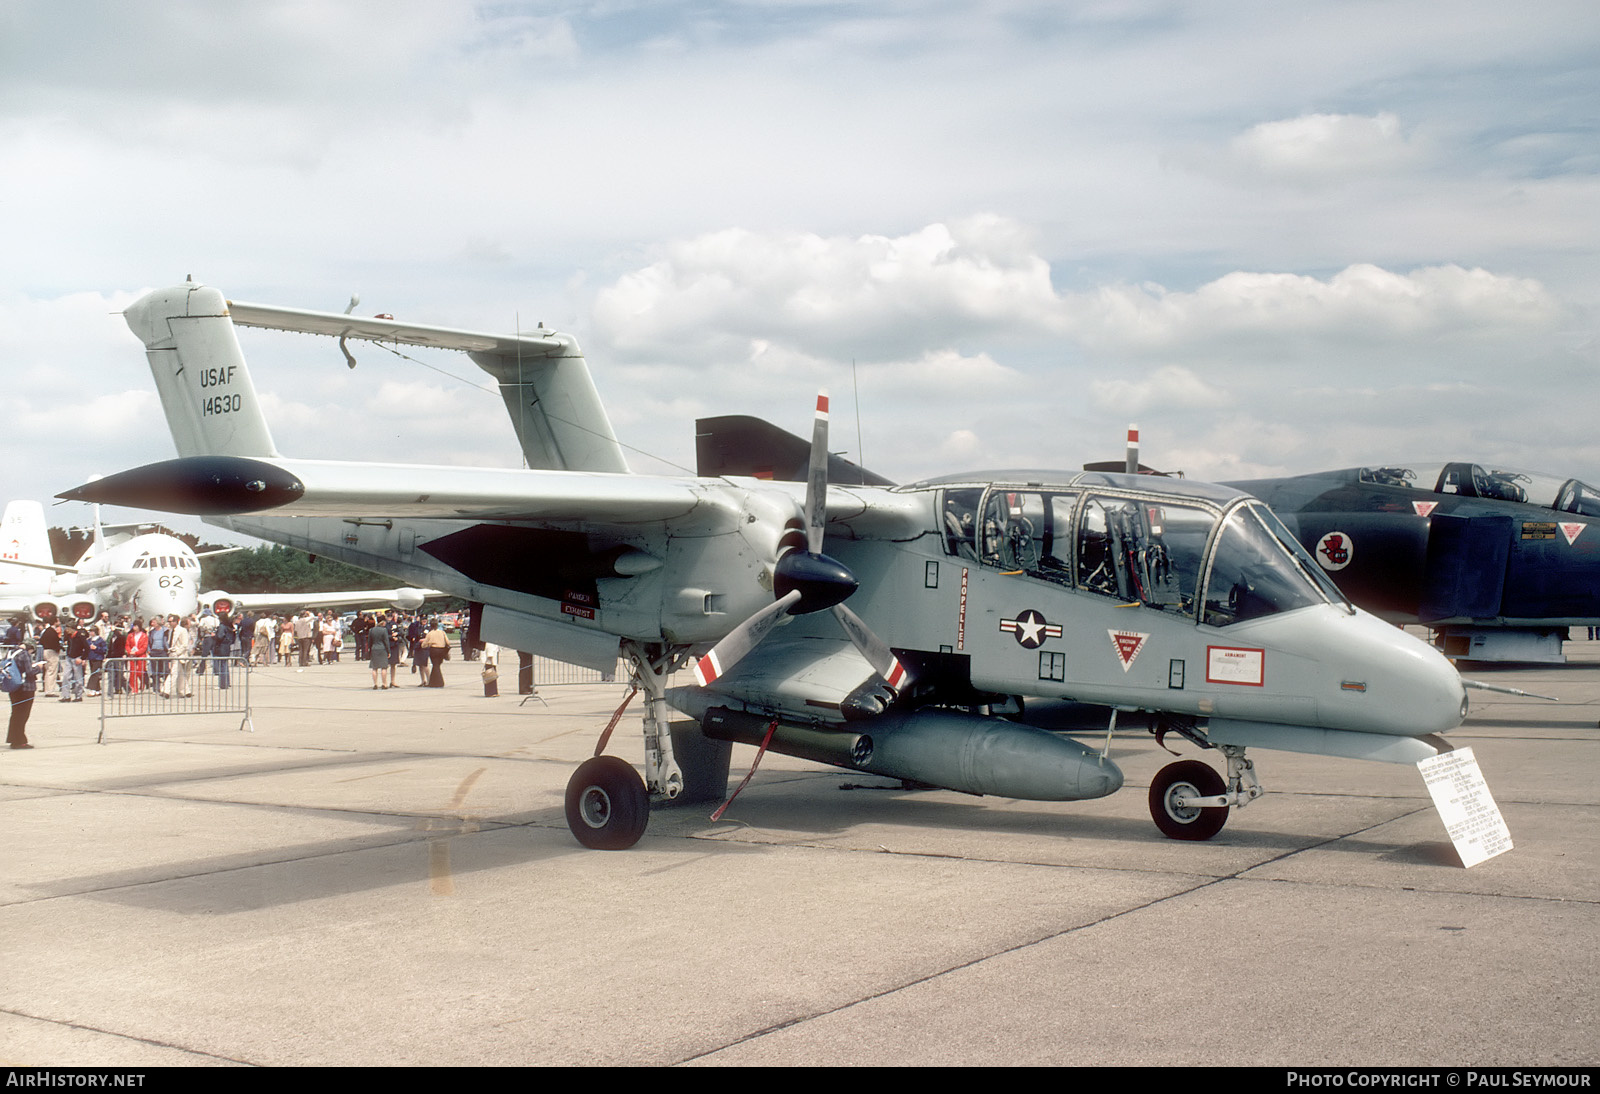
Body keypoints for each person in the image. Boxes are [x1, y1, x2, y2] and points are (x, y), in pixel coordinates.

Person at [7, 639, 41, 749]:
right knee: (23, 715)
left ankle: (13, 738)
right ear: (30, 648)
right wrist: (38, 668)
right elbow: (30, 672)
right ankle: (19, 741)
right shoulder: (25, 654)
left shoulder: (11, 652)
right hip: (26, 688)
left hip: (14, 687)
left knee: (15, 714)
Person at [422, 618, 450, 687]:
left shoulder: (430, 634)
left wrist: (424, 645)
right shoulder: (442, 632)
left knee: (435, 665)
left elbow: (424, 644)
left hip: (433, 650)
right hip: (441, 650)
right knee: (437, 665)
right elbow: (448, 642)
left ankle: (438, 682)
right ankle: (433, 682)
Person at [368, 620, 391, 689]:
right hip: (382, 649)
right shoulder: (384, 630)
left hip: (374, 648)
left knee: (374, 668)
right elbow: (386, 641)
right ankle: (384, 684)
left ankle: (375, 684)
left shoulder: (371, 630)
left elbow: (369, 642)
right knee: (384, 667)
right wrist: (388, 651)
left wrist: (370, 650)